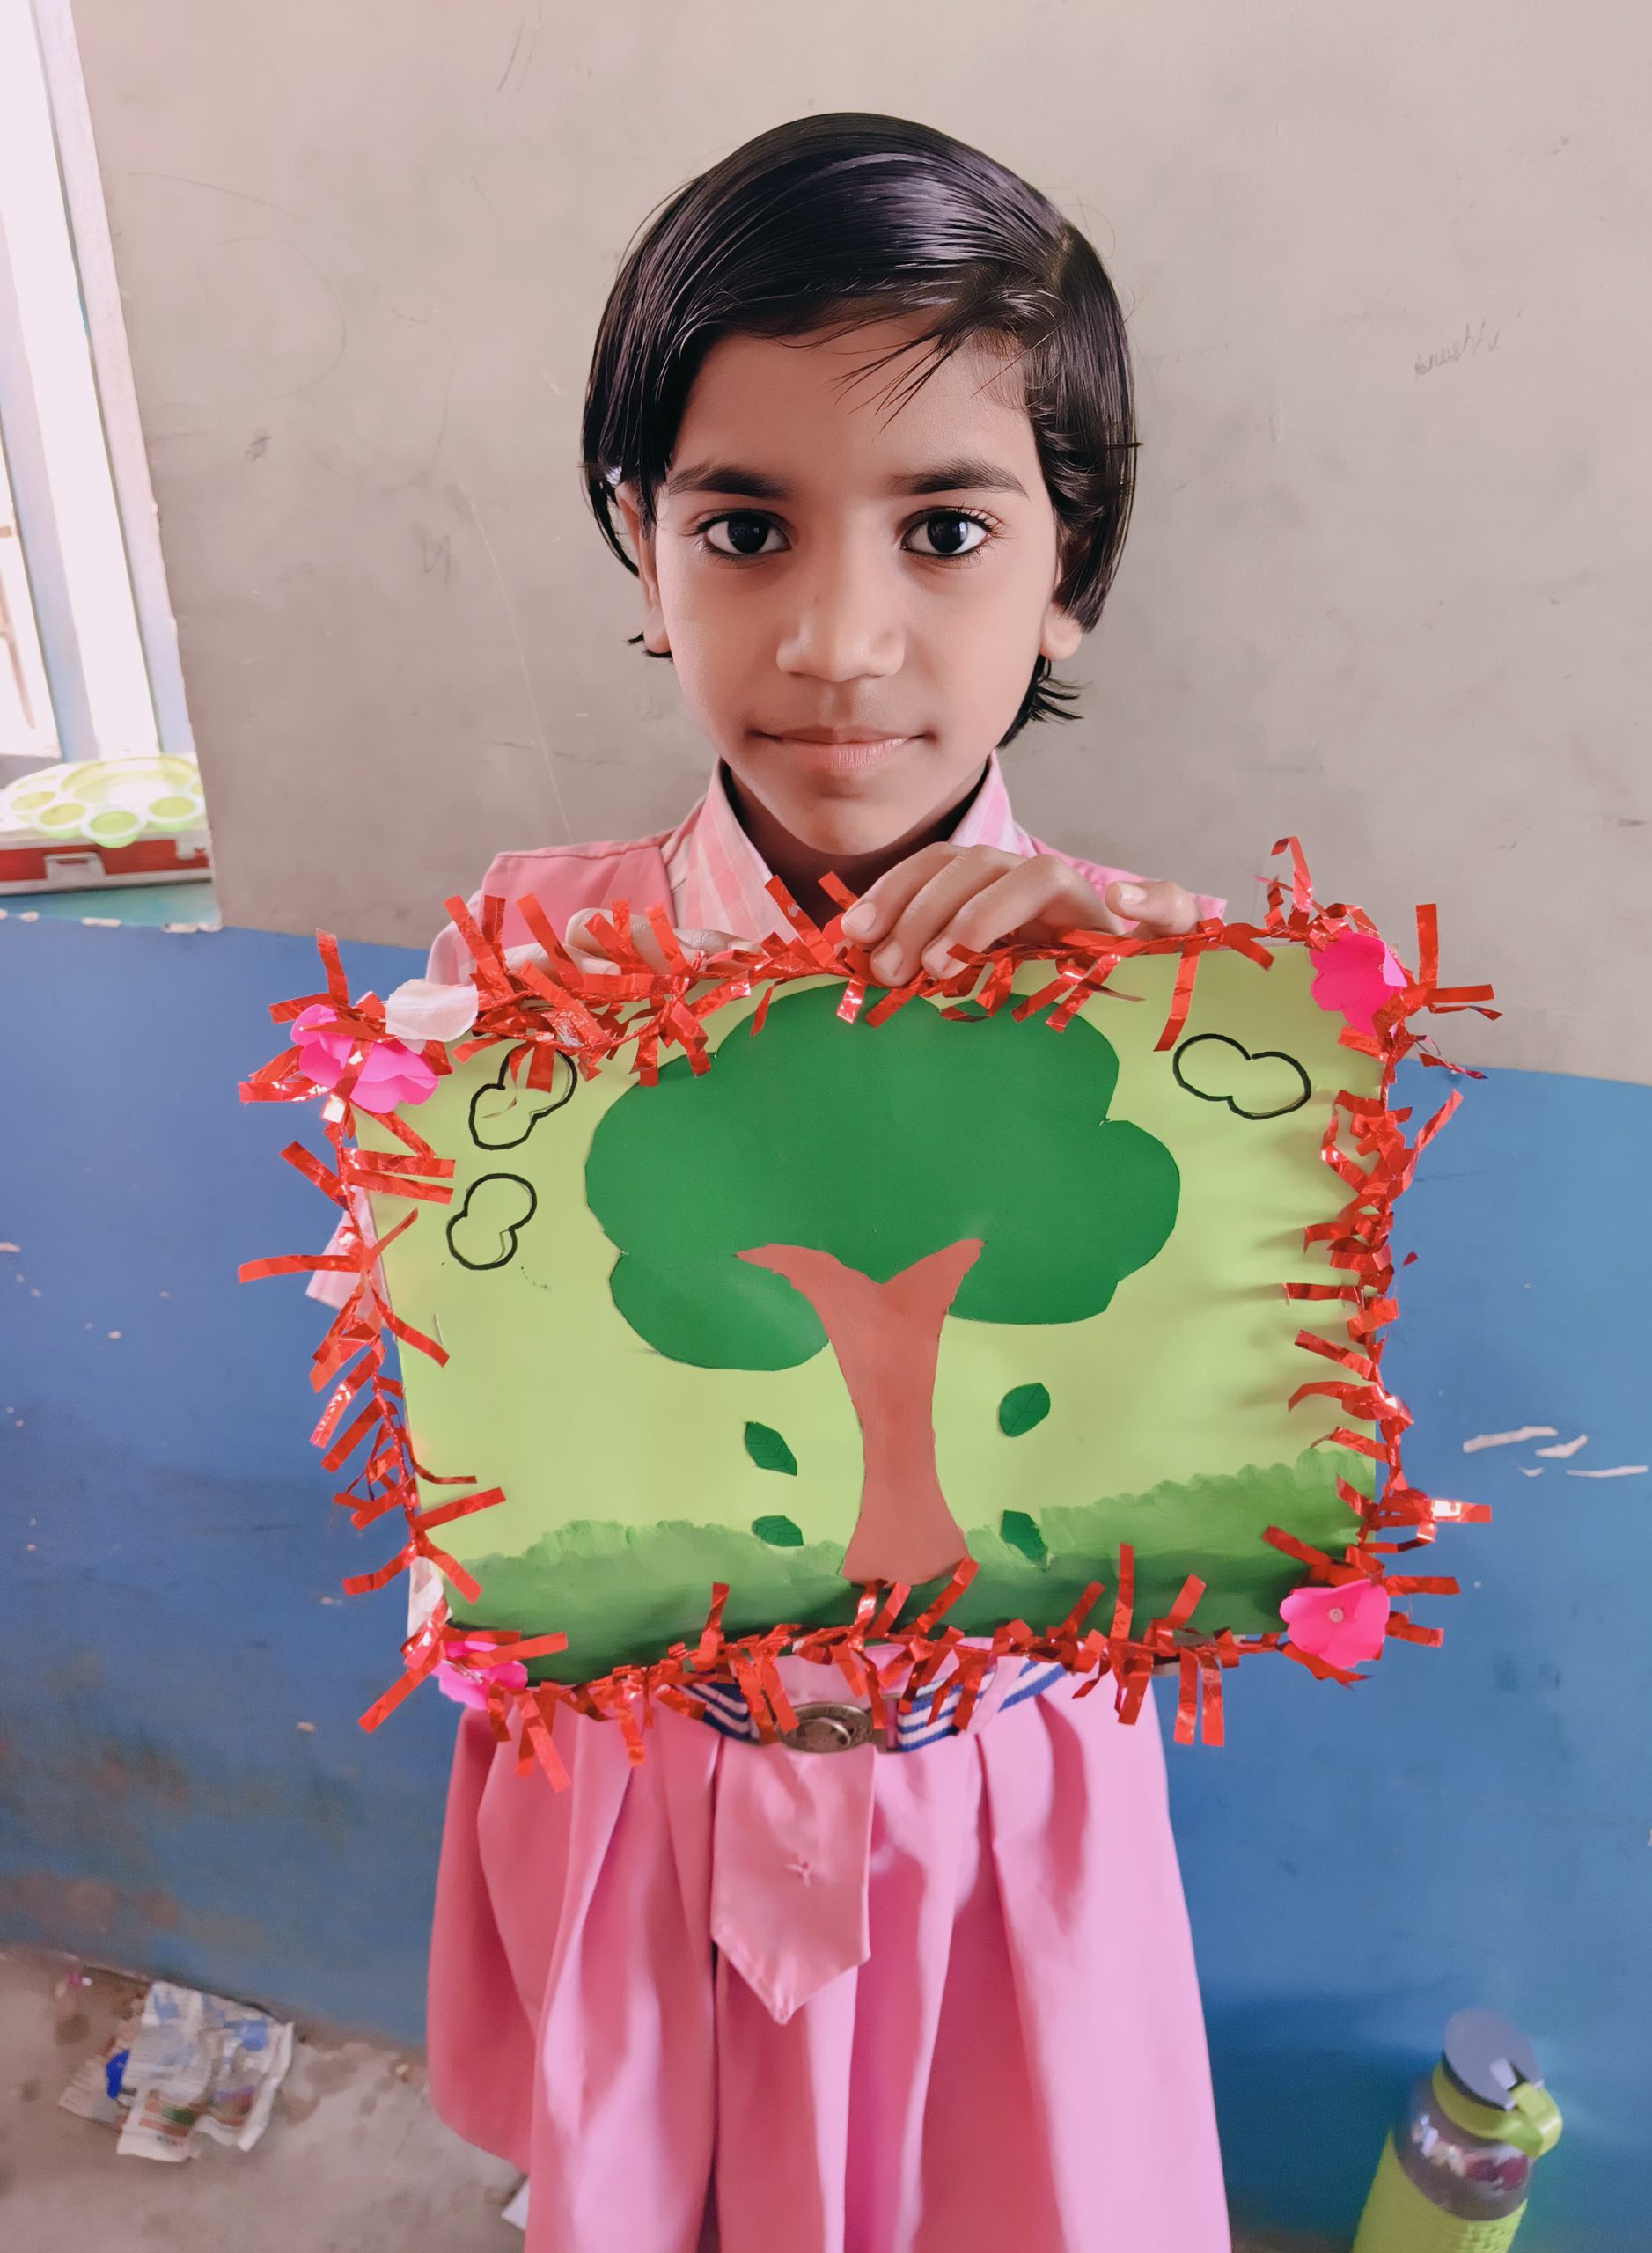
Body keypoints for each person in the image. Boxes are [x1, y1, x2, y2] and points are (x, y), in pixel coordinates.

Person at [419, 114, 1233, 2252]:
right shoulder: (517, 967)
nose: (840, 638)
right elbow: (447, 1426)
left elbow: (1246, 1475)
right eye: (745, 527)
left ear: (1072, 562)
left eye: (946, 528)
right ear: (644, 545)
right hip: (640, 1792)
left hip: (995, 1812)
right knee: (649, 2187)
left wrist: (1178, 1048)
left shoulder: (1186, 1003)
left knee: (1007, 2186)